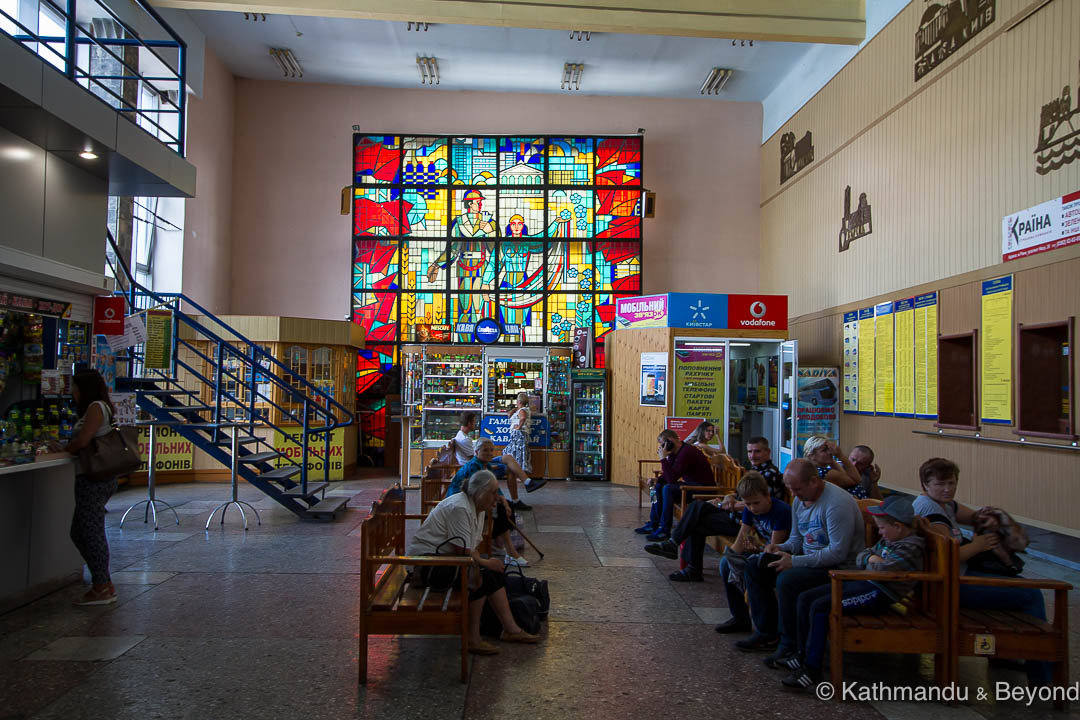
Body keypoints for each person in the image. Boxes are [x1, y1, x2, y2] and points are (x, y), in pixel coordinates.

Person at [913, 458, 1050, 686]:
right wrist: (979, 544)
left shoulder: (943, 505)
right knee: (1031, 594)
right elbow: (946, 559)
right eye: (940, 484)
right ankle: (1041, 675)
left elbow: (973, 516)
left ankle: (1007, 653)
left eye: (952, 483)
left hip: (952, 581)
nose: (947, 489)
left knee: (1014, 580)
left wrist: (988, 519)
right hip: (952, 586)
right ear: (925, 485)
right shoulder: (930, 511)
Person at [781, 495, 927, 690]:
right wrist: (874, 560)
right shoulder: (890, 542)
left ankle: (812, 668)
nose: (880, 533)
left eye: (882, 528)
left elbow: (886, 571)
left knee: (821, 607)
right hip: (865, 583)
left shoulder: (910, 547)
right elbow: (863, 555)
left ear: (898, 526)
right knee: (806, 598)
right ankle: (801, 654)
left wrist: (872, 560)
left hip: (879, 593)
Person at [736, 458, 864, 669]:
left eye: (797, 489)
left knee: (788, 579)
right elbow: (797, 539)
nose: (793, 495)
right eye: (790, 489)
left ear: (814, 481)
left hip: (838, 570)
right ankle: (767, 633)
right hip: (810, 560)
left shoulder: (836, 504)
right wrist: (780, 548)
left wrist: (794, 561)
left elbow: (838, 553)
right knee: (756, 566)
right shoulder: (800, 500)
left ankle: (790, 644)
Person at [408, 470, 540, 655]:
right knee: (481, 575)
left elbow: (470, 547)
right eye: (493, 492)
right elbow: (461, 550)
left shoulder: (476, 508)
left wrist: (486, 563)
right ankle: (473, 638)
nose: (497, 497)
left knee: (491, 573)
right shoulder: (460, 508)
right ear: (479, 492)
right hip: (425, 565)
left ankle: (511, 630)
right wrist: (486, 563)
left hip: (445, 560)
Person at [56, 370, 119, 605]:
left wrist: (65, 448)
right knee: (80, 531)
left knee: (90, 531)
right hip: (95, 478)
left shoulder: (95, 407)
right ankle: (102, 582)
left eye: (74, 386)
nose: (72, 391)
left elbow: (84, 441)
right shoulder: (99, 406)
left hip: (94, 478)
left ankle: (102, 585)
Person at [710, 473, 791, 630]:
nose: (753, 508)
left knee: (752, 568)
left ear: (767, 495)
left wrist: (758, 550)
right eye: (748, 504)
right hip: (763, 549)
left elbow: (775, 547)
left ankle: (766, 627)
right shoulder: (750, 509)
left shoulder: (781, 511)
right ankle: (740, 617)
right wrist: (731, 556)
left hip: (783, 556)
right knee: (726, 564)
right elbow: (741, 539)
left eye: (756, 503)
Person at [448, 439, 529, 567]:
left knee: (507, 505)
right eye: (485, 450)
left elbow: (494, 488)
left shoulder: (487, 465)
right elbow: (482, 491)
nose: (489, 453)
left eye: (491, 450)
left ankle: (497, 542)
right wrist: (502, 503)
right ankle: (510, 552)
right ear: (476, 452)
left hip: (475, 498)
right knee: (500, 510)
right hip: (462, 499)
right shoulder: (474, 466)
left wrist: (505, 502)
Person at [452, 412, 544, 509]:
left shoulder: (461, 436)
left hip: (479, 460)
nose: (475, 424)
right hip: (477, 467)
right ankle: (517, 499)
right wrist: (490, 466)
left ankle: (527, 482)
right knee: (510, 470)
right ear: (470, 423)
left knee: (508, 457)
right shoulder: (465, 440)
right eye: (474, 422)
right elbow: (474, 461)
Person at [635, 429, 714, 541]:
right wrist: (657, 479)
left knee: (668, 488)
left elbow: (672, 479)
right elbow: (669, 474)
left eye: (663, 444)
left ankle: (664, 529)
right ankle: (654, 523)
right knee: (656, 486)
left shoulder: (686, 452)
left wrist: (663, 459)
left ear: (670, 441)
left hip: (703, 488)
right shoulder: (675, 452)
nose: (663, 448)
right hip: (690, 485)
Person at [803, 435, 865, 499]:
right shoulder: (826, 473)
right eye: (824, 450)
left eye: (829, 449)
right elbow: (856, 479)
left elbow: (844, 475)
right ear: (812, 456)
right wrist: (841, 456)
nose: (830, 452)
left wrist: (831, 461)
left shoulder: (811, 470)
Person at [505, 392, 533, 482]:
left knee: (517, 454)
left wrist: (518, 427)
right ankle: (520, 474)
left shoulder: (522, 410)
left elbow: (523, 418)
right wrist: (515, 409)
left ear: (519, 401)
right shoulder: (522, 409)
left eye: (517, 400)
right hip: (520, 435)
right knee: (519, 454)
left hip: (519, 434)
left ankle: (519, 475)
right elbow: (509, 415)